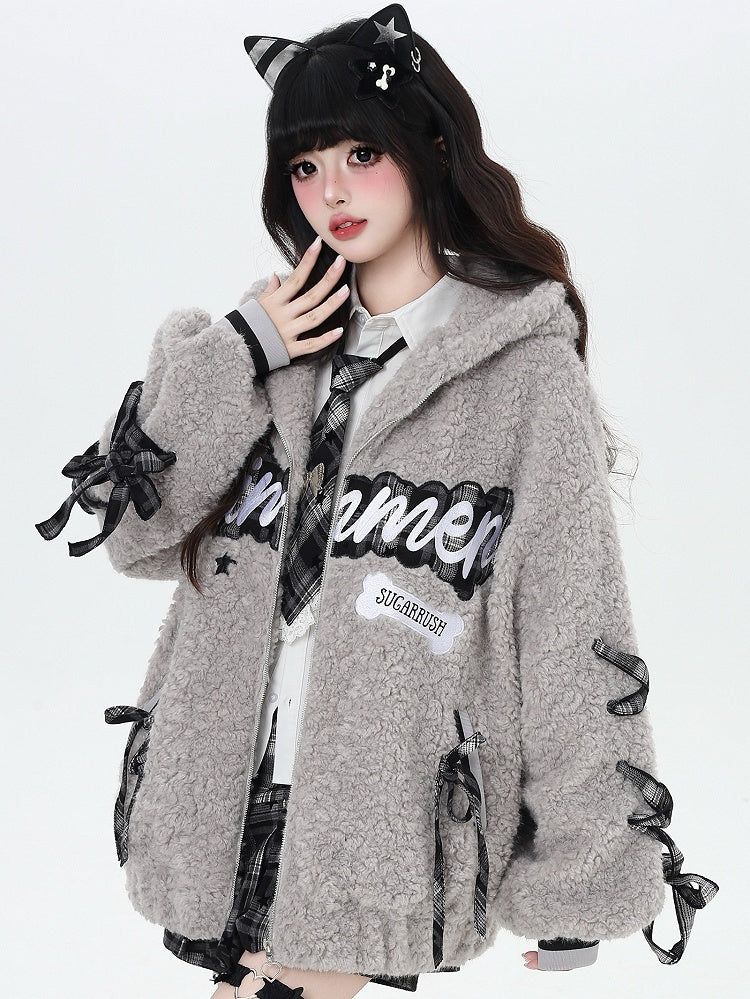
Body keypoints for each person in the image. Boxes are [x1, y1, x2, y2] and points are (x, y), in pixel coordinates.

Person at [35, 4, 718, 997]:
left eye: (362, 154)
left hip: (385, 818)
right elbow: (136, 534)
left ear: (431, 147)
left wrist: (583, 880)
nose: (331, 191)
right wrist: (240, 352)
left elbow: (570, 625)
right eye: (305, 166)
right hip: (224, 799)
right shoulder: (266, 348)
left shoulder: (519, 375)